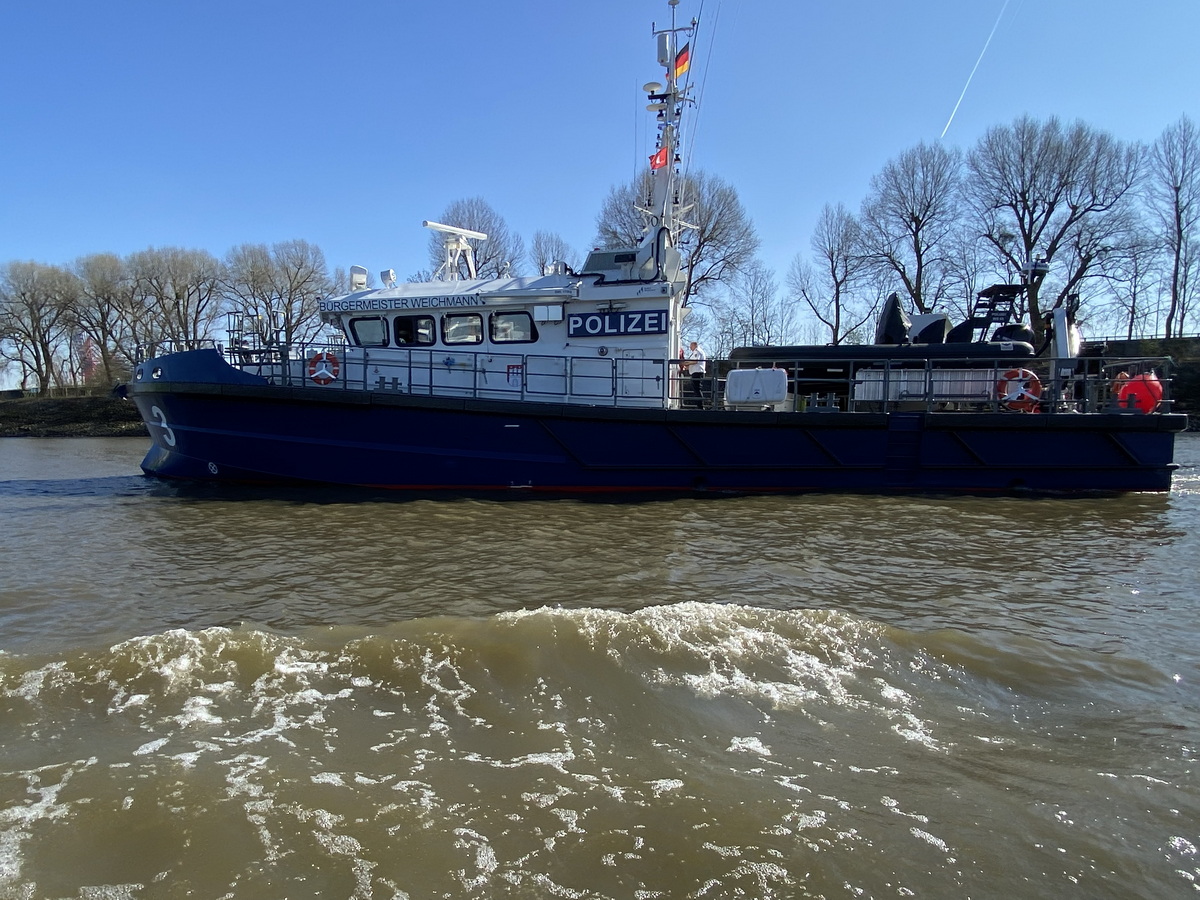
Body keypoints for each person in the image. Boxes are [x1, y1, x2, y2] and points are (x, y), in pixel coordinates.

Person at [684, 340, 707, 408]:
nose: (690, 348)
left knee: (697, 389)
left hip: (697, 373)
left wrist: (686, 363)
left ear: (694, 345)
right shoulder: (697, 352)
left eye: (691, 346)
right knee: (696, 389)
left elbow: (695, 361)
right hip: (696, 372)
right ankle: (699, 405)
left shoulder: (697, 351)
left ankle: (700, 406)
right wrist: (688, 367)